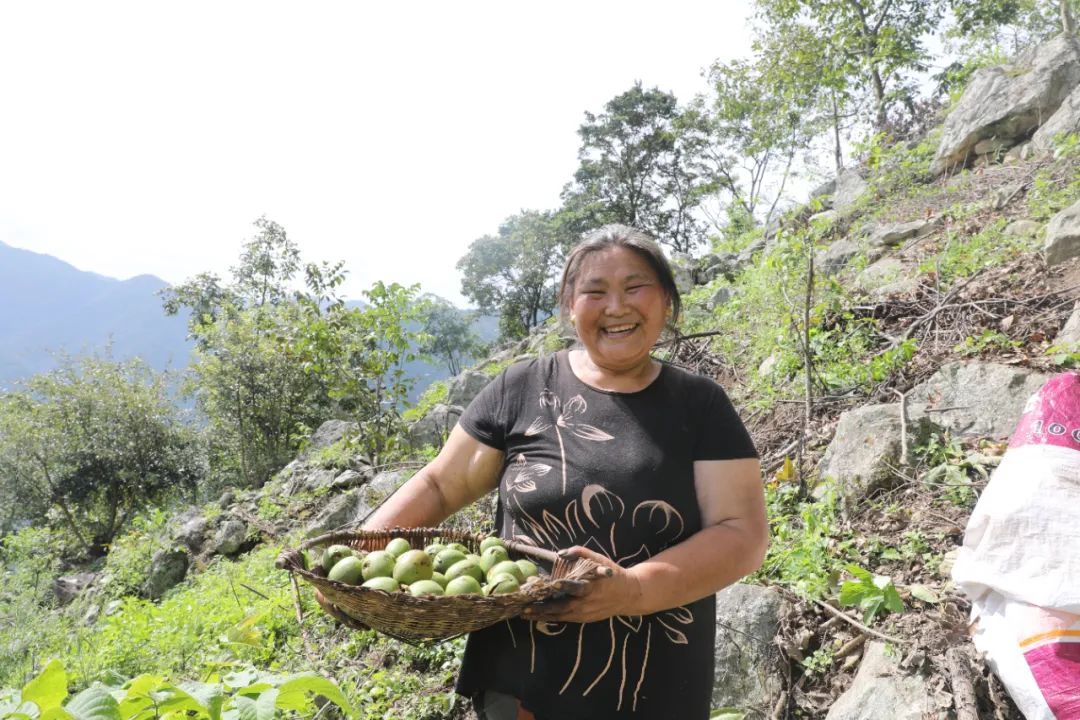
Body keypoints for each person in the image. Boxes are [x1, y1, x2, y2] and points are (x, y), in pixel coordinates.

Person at [362, 224, 768, 720]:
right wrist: (364, 555)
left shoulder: (700, 405)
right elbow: (440, 483)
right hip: (522, 681)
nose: (615, 306)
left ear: (664, 299)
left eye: (634, 287)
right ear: (570, 305)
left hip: (653, 682)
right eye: (594, 291)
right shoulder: (521, 387)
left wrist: (632, 589)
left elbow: (742, 533)